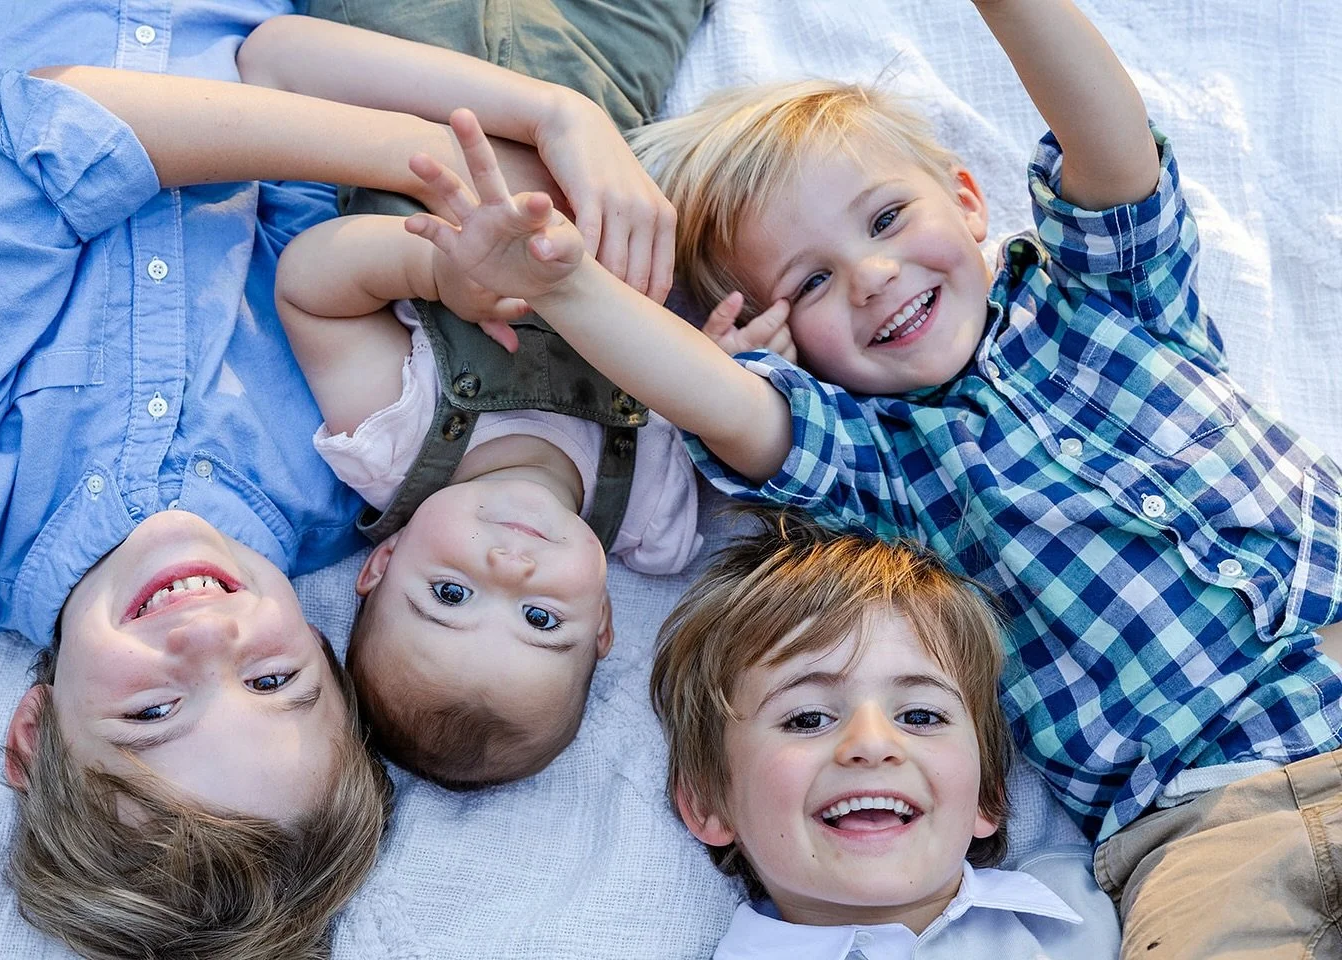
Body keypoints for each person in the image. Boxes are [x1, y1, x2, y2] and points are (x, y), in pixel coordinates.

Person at [396, 0, 1342, 954]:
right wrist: (569, 289)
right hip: (1200, 820)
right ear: (785, 346)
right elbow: (718, 400)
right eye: (807, 282)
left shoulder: (1107, 300)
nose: (872, 274)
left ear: (969, 203)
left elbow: (1113, 146)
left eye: (888, 217)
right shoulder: (872, 465)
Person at [0, 5, 675, 957]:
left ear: (33, 734)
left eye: (152, 713)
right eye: (273, 678)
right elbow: (302, 130)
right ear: (332, 653)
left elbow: (50, 134)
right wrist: (547, 121)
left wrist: (490, 134)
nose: (207, 636)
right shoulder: (352, 474)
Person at [273, 207, 702, 788]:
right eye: (540, 617)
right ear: (602, 618)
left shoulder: (393, 437)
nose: (509, 569)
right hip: (624, 198)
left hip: (446, 176)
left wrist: (434, 270)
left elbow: (310, 290)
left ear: (384, 560)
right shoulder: (656, 516)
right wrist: (731, 360)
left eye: (451, 594)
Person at [649, 511, 1120, 958]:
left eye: (920, 716)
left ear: (988, 793)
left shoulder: (1102, 902)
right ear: (708, 800)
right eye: (808, 719)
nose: (872, 745)